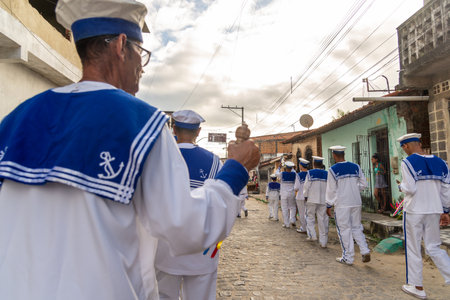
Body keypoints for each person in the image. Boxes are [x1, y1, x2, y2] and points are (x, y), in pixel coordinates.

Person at [0, 1, 260, 299]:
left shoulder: (16, 118)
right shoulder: (139, 123)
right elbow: (186, 227)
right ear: (122, 46)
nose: (142, 67)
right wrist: (236, 169)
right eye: (142, 53)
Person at [155, 110, 223, 300]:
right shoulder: (215, 162)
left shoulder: (159, 157)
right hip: (202, 244)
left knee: (163, 294)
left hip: (165, 242)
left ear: (173, 128)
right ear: (198, 132)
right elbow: (223, 200)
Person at [396, 133, 450, 300]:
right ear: (419, 143)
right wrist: (446, 211)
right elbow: (446, 190)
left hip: (414, 211)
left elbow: (410, 189)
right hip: (434, 210)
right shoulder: (441, 163)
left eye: (403, 148)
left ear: (406, 146)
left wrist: (401, 187)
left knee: (413, 247)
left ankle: (417, 286)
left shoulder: (408, 162)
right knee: (433, 247)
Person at [326, 145, 371, 265]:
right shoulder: (355, 166)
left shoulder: (332, 170)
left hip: (342, 203)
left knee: (344, 229)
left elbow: (331, 190)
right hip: (356, 202)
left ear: (334, 155)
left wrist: (329, 204)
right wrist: (354, 190)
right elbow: (364, 184)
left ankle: (348, 257)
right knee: (357, 227)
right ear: (343, 154)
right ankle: (365, 250)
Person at [303, 156, 328, 248]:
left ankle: (312, 235)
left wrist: (305, 196)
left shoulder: (310, 173)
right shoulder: (327, 173)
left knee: (310, 217)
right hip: (323, 200)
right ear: (321, 164)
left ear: (314, 164)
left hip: (312, 199)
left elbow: (306, 186)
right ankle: (323, 242)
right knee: (323, 220)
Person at [276, 161, 299, 228]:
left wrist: (279, 167)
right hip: (292, 193)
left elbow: (276, 173)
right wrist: (293, 168)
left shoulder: (282, 173)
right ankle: (293, 220)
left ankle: (287, 223)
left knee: (284, 208)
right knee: (293, 207)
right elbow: (294, 171)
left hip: (283, 194)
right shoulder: (294, 174)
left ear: (285, 167)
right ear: (291, 168)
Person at [294, 158, 309, 233]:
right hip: (308, 196)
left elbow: (296, 187)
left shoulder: (298, 175)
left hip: (300, 196)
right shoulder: (310, 174)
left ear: (301, 166)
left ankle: (304, 228)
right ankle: (309, 228)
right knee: (308, 213)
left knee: (302, 213)